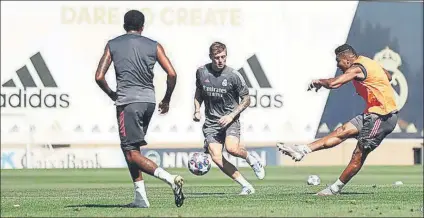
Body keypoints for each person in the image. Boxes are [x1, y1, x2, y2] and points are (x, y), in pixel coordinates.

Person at [277, 44, 398, 196]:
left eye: (338, 61)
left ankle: (334, 189)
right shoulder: (368, 62)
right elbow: (388, 76)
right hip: (372, 113)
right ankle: (302, 150)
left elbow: (334, 83)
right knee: (341, 131)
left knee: (358, 154)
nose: (337, 65)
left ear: (347, 60)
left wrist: (318, 82)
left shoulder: (357, 67)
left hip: (383, 116)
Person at [95, 10, 184, 207]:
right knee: (131, 149)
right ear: (142, 27)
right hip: (149, 102)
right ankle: (140, 198)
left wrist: (112, 94)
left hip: (127, 103)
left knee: (130, 152)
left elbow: (99, 76)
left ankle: (171, 180)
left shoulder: (113, 44)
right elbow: (172, 73)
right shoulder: (154, 45)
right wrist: (166, 99)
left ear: (124, 25)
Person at [193, 42, 266, 195]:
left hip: (230, 120)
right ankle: (246, 186)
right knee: (216, 157)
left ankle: (251, 159)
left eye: (223, 57)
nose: (221, 60)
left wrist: (231, 115)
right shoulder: (201, 72)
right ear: (210, 57)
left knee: (232, 149)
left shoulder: (233, 75)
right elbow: (198, 92)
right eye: (217, 58)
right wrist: (197, 110)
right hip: (211, 123)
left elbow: (247, 99)